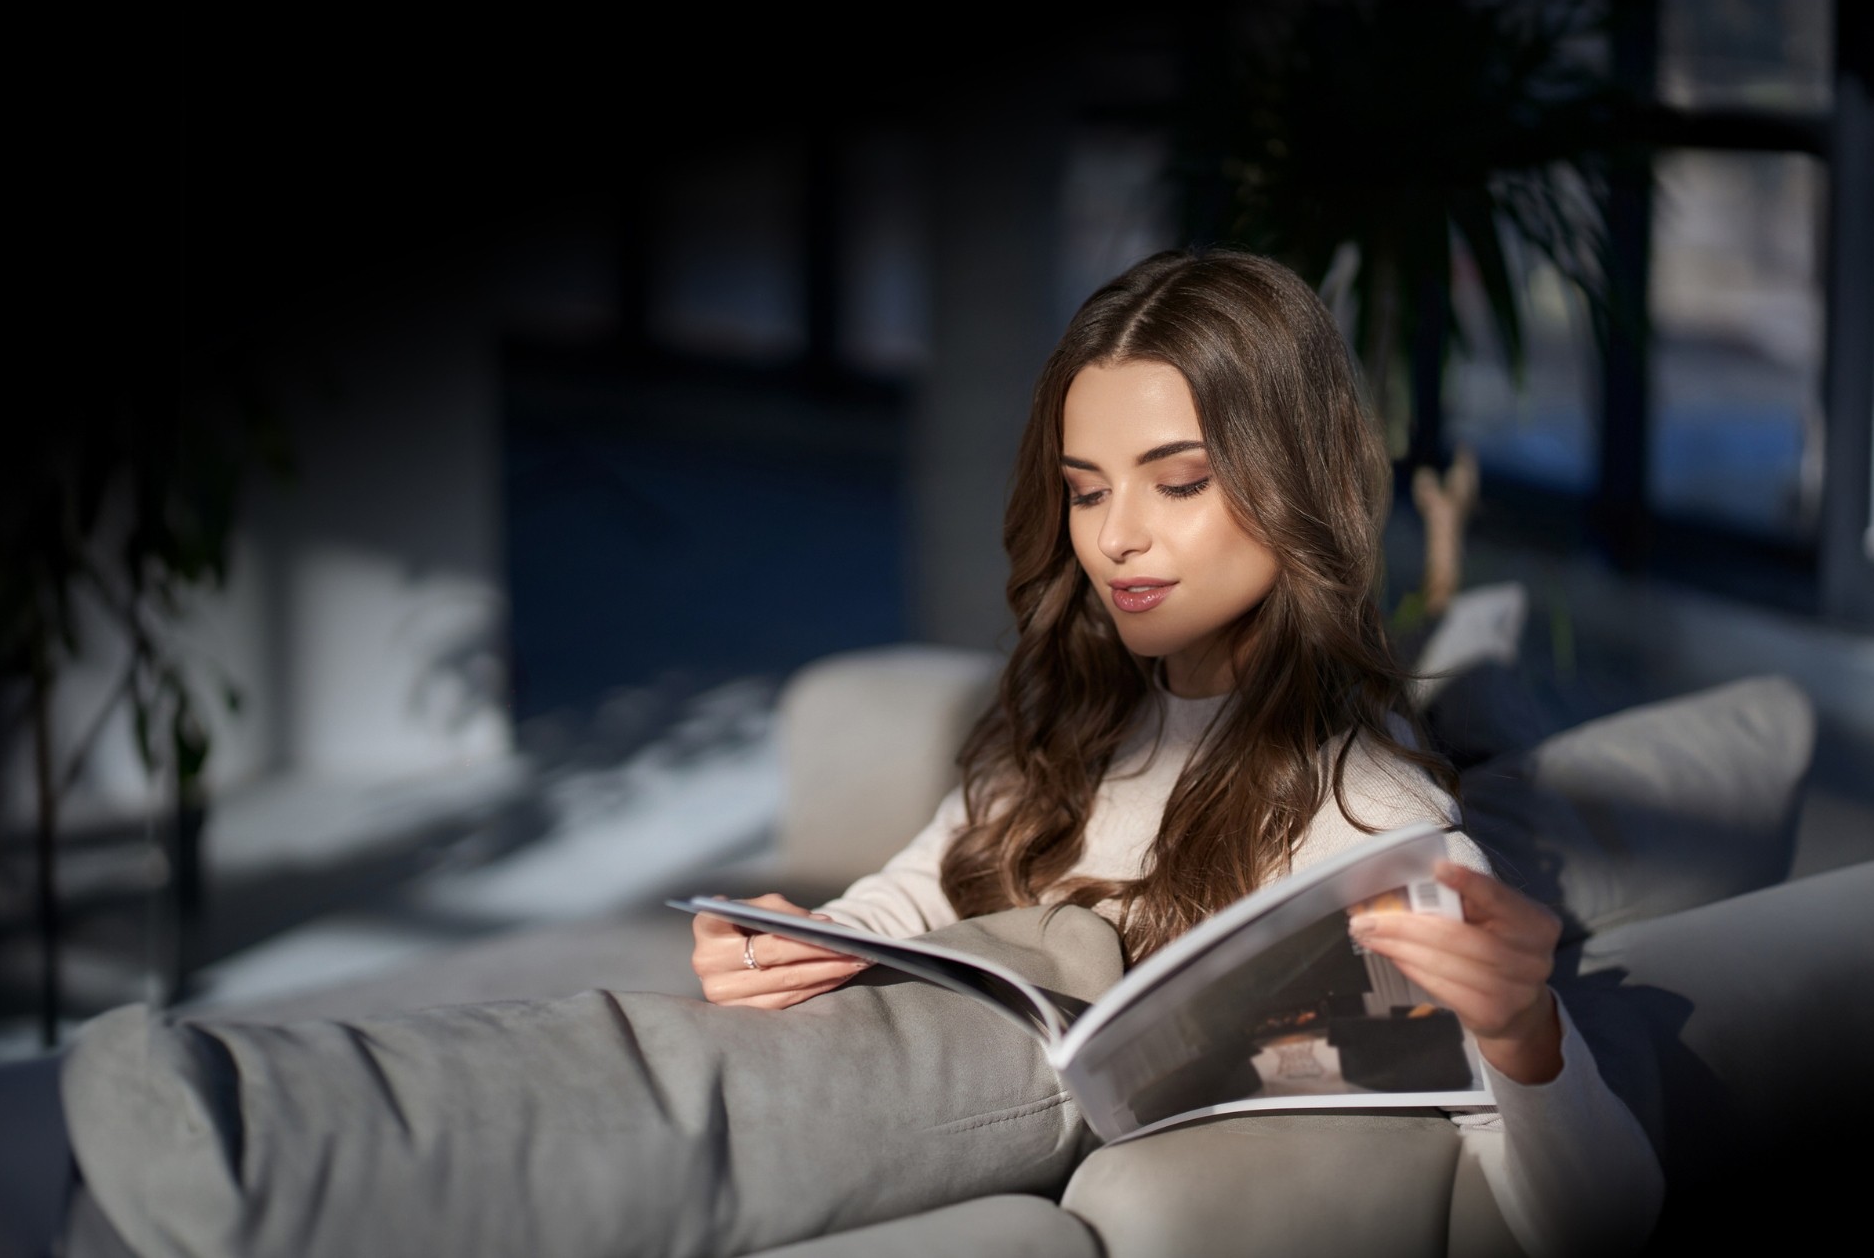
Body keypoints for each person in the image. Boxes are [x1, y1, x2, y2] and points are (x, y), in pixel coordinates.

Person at [688, 249, 1663, 1254]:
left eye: (1178, 482)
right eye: (1085, 491)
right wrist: (795, 944)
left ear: (1298, 481)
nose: (1116, 540)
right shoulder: (1075, 715)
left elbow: (1597, 1223)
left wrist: (1523, 1035)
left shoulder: (1372, 818)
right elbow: (910, 893)